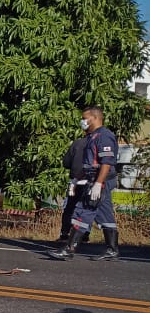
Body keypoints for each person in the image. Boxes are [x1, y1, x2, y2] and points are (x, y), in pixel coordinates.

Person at [51, 107, 119, 261]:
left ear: (95, 118)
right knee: (105, 214)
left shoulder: (104, 136)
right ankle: (112, 250)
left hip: (101, 181)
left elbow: (106, 163)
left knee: (83, 210)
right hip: (92, 179)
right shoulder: (91, 137)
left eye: (84, 118)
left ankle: (69, 249)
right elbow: (88, 164)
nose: (82, 121)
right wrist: (76, 180)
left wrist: (98, 184)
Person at [57, 134, 88, 243]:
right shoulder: (99, 143)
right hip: (91, 180)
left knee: (69, 207)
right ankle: (83, 235)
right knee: (87, 208)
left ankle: (65, 233)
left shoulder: (77, 143)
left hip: (75, 180)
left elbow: (66, 162)